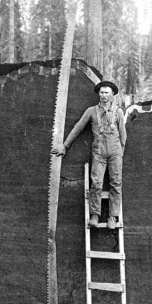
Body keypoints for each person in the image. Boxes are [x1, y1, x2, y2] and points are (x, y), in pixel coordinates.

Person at [52, 80, 126, 230]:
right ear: (98, 94)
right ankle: (95, 215)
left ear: (112, 95)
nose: (104, 95)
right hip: (98, 152)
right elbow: (77, 128)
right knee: (96, 183)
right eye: (102, 92)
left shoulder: (118, 112)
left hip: (115, 152)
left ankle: (112, 216)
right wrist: (65, 146)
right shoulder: (91, 111)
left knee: (116, 183)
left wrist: (120, 154)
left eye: (107, 92)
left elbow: (123, 136)